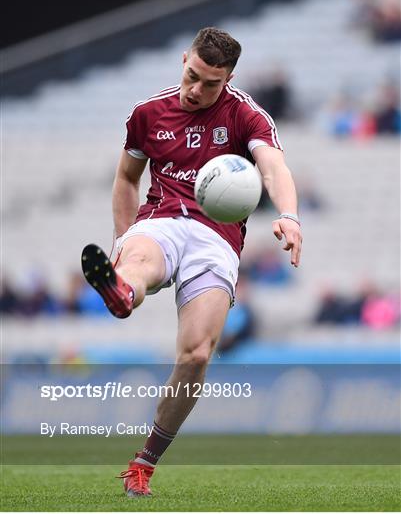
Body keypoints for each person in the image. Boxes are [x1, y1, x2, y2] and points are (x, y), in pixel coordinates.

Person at [81, 27, 302, 497]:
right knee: (139, 258)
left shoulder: (246, 115)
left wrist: (289, 215)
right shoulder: (147, 113)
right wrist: (121, 240)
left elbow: (273, 166)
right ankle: (122, 289)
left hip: (215, 238)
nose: (196, 90)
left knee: (197, 355)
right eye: (192, 76)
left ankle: (145, 461)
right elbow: (126, 178)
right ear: (184, 59)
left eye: (210, 83)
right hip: (159, 219)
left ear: (230, 78)